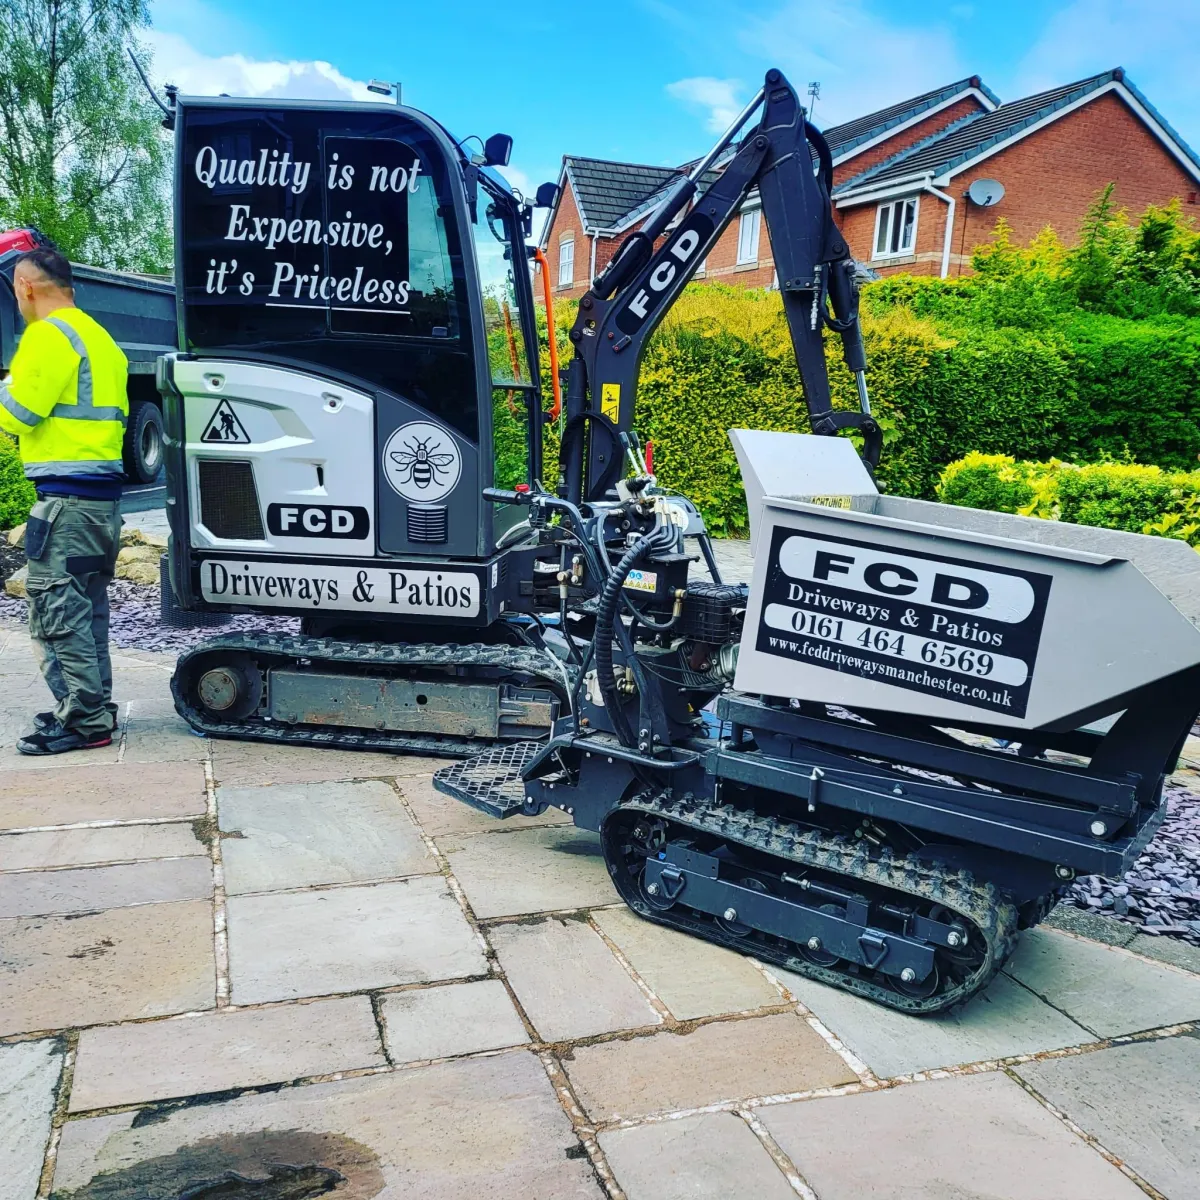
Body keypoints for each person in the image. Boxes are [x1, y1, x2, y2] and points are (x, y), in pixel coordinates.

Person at [0, 247, 129, 754]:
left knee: (57, 613)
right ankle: (96, 705)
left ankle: (84, 721)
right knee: (88, 609)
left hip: (64, 504)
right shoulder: (100, 339)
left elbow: (17, 415)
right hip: (101, 504)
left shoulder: (46, 336)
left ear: (27, 287)